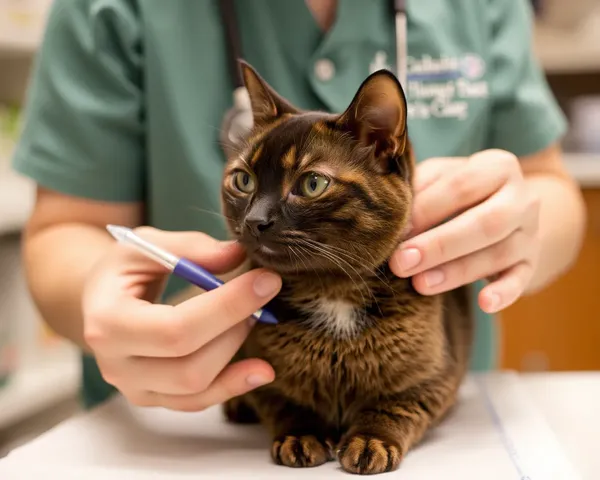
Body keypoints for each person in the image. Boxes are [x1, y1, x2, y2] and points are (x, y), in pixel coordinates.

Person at [12, 0, 585, 411]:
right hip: (184, 432)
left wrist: (528, 223)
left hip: (437, 423)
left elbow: (549, 185)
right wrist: (99, 297)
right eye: (243, 185)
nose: (256, 218)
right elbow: (65, 227)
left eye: (307, 187)